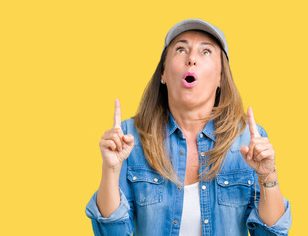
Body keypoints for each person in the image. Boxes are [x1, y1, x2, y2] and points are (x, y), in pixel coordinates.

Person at [85, 19, 292, 236]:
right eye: (181, 49)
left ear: (221, 77)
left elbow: (269, 234)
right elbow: (111, 234)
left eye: (206, 52)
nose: (192, 59)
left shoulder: (248, 140)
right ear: (163, 73)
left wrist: (268, 175)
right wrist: (110, 170)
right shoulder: (130, 137)